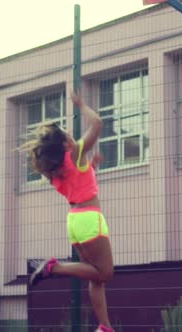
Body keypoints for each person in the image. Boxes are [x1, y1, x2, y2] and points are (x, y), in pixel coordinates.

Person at [22, 90, 114, 332]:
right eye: (69, 135)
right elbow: (97, 124)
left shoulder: (56, 170)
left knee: (95, 276)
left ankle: (104, 327)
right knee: (105, 272)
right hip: (89, 220)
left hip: (75, 221)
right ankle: (54, 267)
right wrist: (80, 104)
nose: (73, 137)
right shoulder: (75, 153)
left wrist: (92, 166)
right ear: (65, 143)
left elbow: (78, 182)